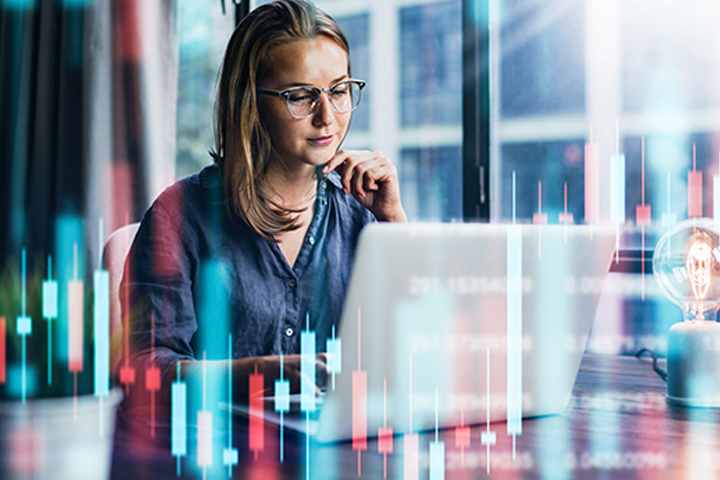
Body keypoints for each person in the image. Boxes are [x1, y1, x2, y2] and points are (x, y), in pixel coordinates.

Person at [120, 0, 406, 407]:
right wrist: (256, 375)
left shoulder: (362, 212)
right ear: (249, 102)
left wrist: (394, 221)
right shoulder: (180, 215)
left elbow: (420, 351)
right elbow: (143, 369)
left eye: (339, 91)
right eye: (301, 96)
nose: (327, 116)